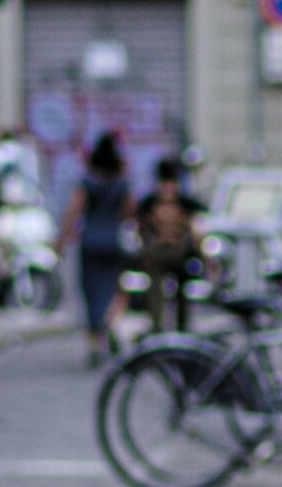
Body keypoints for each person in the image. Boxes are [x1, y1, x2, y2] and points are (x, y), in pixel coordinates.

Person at [59, 131, 134, 364]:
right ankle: (110, 321)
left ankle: (93, 340)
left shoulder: (87, 181)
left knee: (90, 292)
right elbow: (129, 212)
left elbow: (74, 210)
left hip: (90, 239)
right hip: (113, 239)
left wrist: (61, 240)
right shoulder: (122, 182)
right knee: (115, 288)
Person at [134, 157, 203, 333]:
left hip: (157, 249)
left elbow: (142, 227)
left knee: (155, 289)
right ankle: (181, 327)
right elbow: (195, 229)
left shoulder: (152, 200)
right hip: (178, 249)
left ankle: (157, 324)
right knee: (181, 291)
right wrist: (201, 254)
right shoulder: (182, 199)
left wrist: (144, 248)